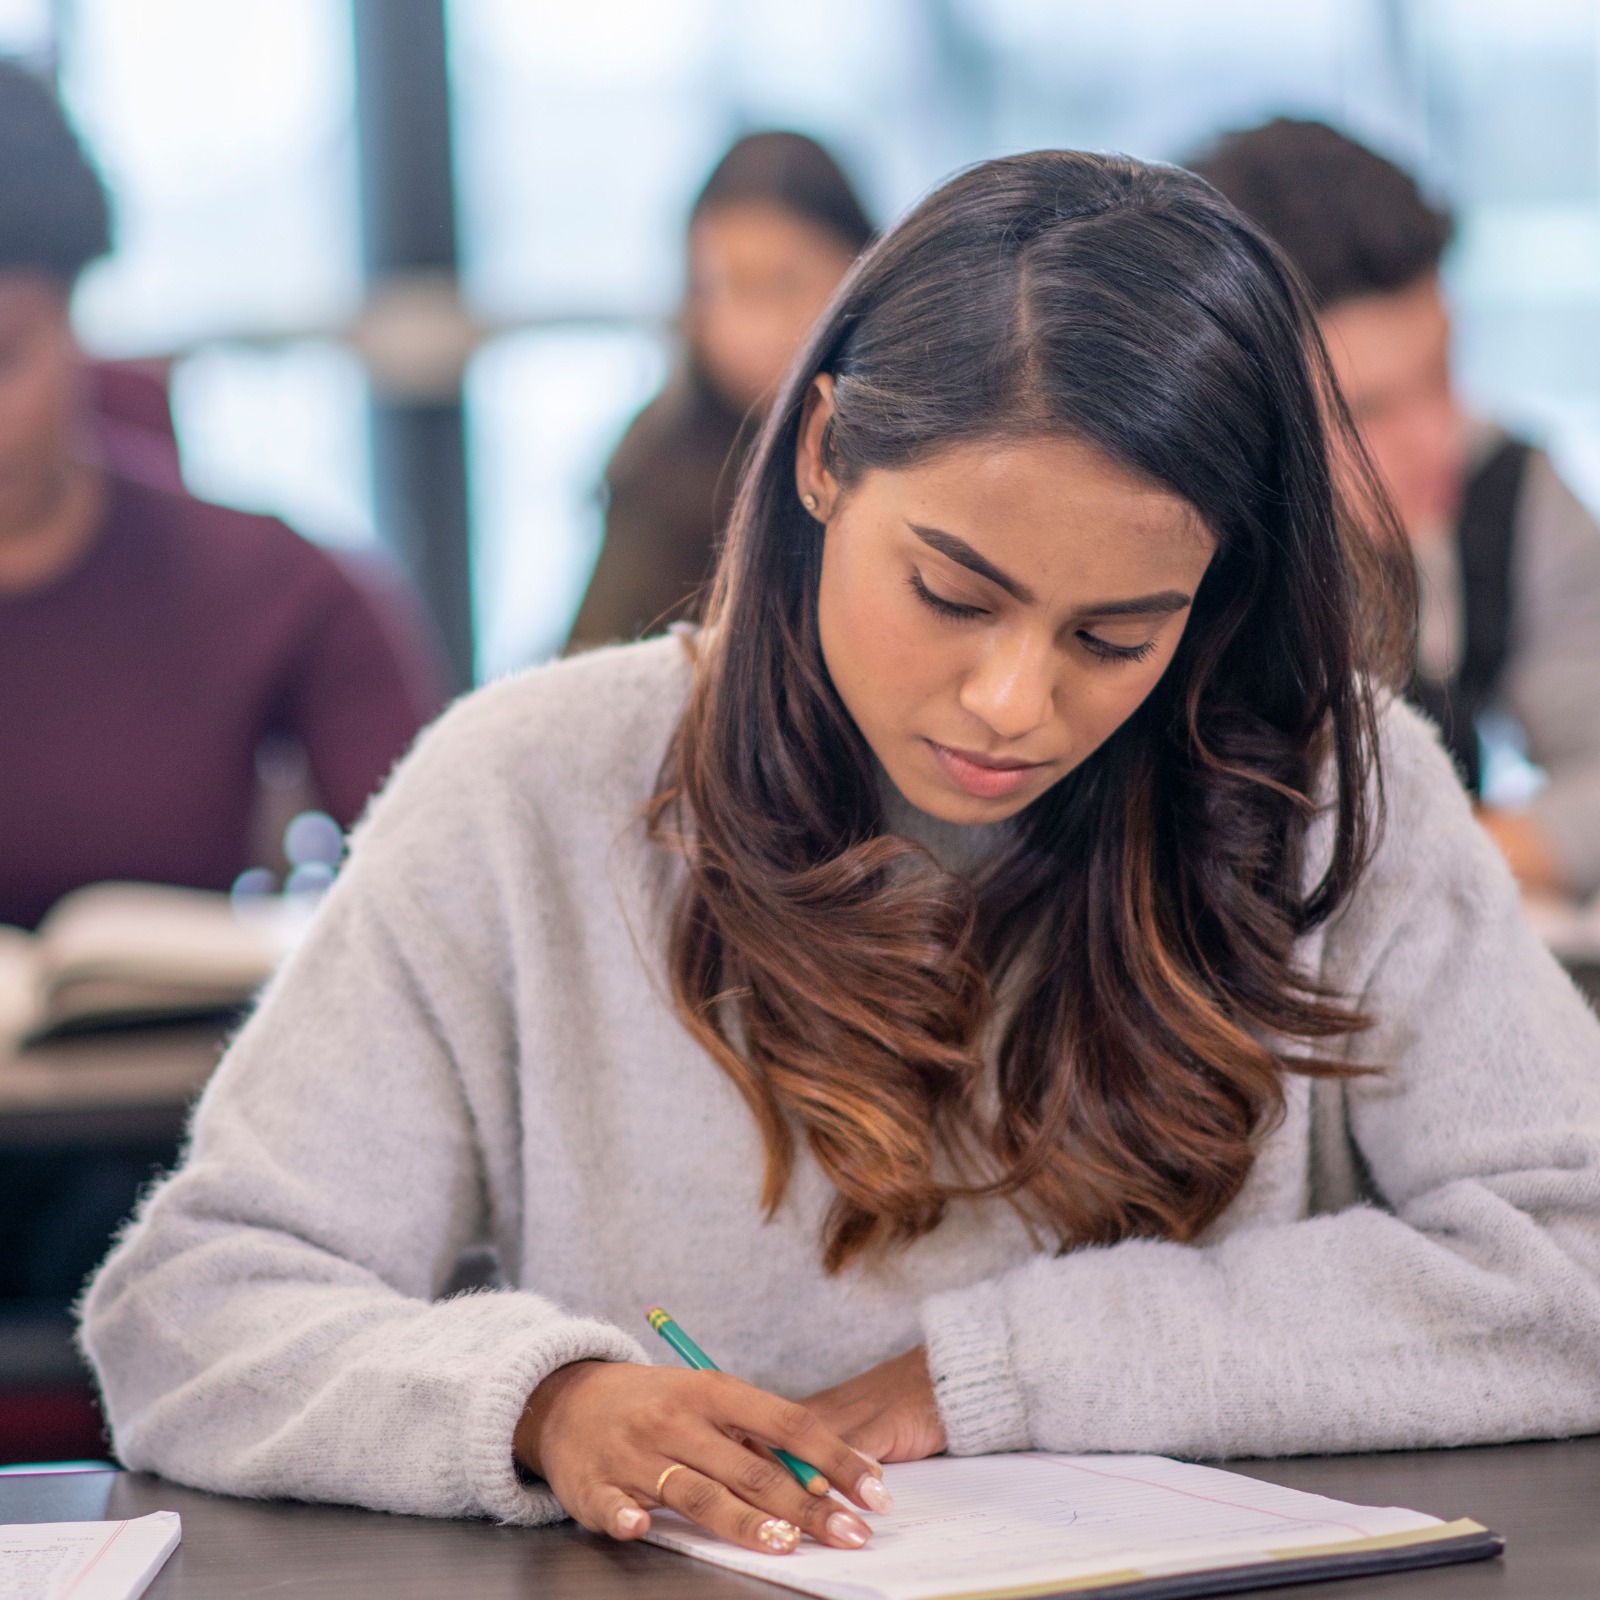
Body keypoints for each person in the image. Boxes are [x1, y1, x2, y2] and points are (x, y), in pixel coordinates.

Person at [83, 152, 1600, 1559]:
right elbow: (191, 1312)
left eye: (1113, 636)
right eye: (953, 594)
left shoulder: (1324, 789)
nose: (1012, 703)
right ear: (822, 455)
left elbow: (1575, 1261)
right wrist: (545, 1402)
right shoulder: (526, 792)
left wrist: (1000, 1371)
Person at [0, 60, 448, 932]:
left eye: (5, 356)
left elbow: (436, 885)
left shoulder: (267, 585)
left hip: (184, 1022)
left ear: (75, 321)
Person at [1189, 118, 1600, 900]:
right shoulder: (1150, 557)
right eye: (1367, 410)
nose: (1437, 438)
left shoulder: (1506, 493)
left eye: (1442, 371)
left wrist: (1427, 864)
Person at [565, 130, 872, 652]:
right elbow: (587, 661)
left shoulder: (914, 449)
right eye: (717, 287)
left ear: (862, 273)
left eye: (781, 284)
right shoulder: (658, 457)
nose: (747, 326)